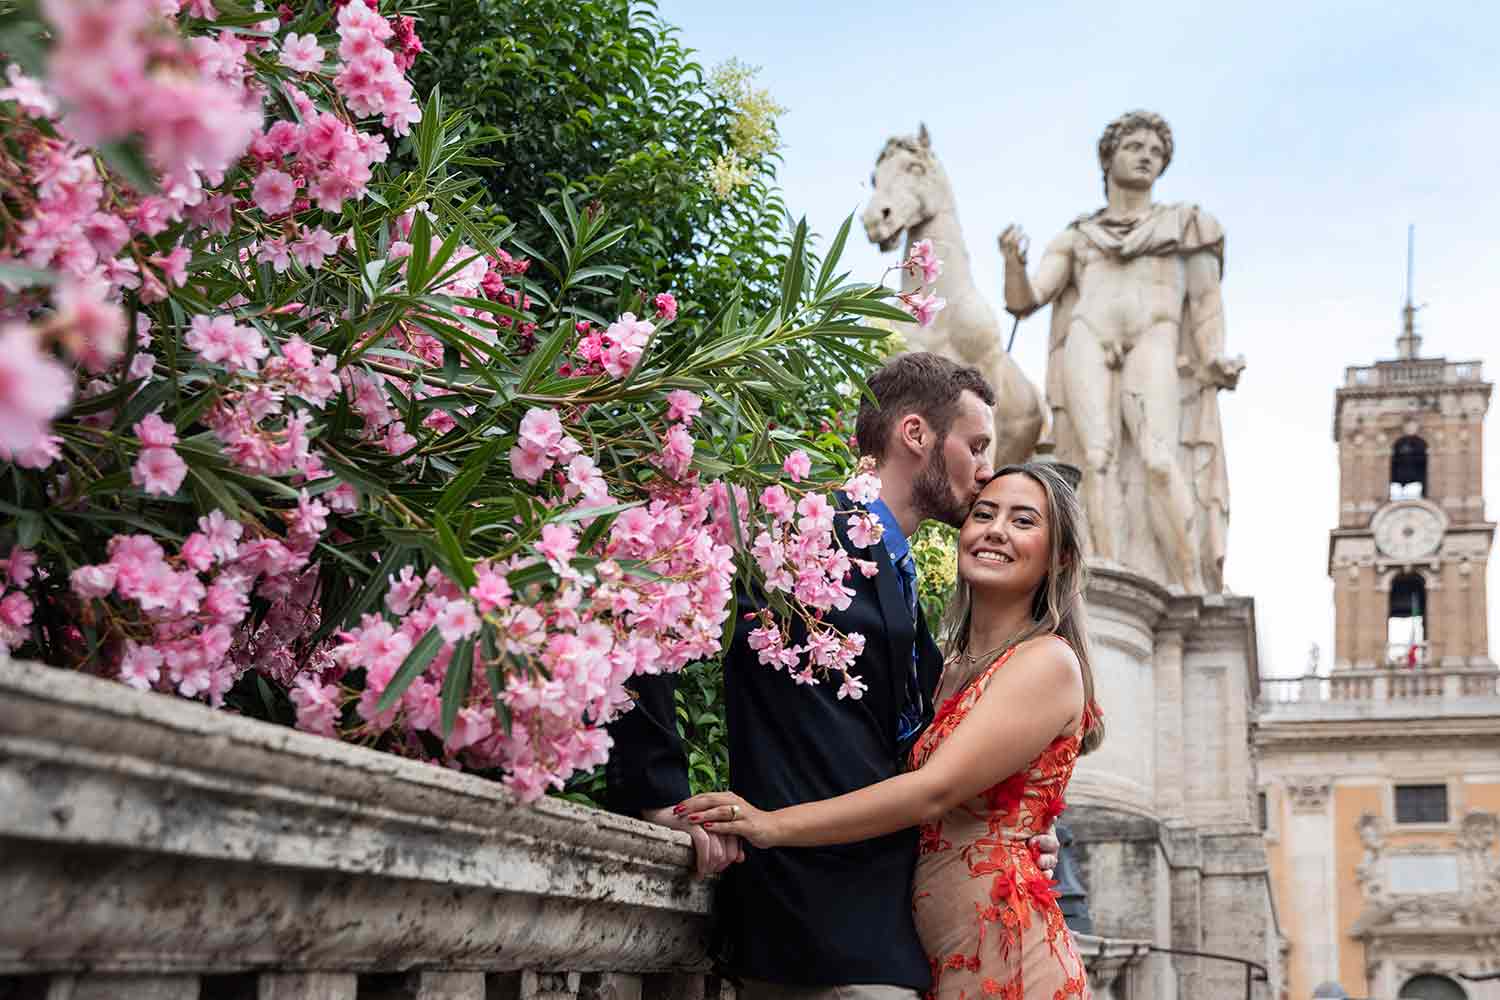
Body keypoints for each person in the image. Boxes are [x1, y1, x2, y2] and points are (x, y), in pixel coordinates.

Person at [605, 353, 1058, 1000]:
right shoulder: (791, 535)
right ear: (916, 434)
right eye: (977, 445)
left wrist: (1019, 835)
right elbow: (636, 597)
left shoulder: (904, 596)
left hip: (887, 936)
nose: (987, 472)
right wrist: (658, 795)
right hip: (811, 929)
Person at [678, 462, 1103, 999]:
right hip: (931, 950)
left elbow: (932, 791)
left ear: (1059, 556)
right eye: (984, 513)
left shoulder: (1047, 661)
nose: (995, 529)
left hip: (1010, 955)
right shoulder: (941, 665)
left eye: (1023, 521)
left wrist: (769, 825)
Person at [998, 110, 1242, 594]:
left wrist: (1215, 357)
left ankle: (1191, 583)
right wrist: (1012, 261)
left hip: (1156, 337)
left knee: (1157, 457)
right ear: (1108, 158)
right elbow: (1025, 299)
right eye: (1136, 147)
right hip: (1089, 333)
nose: (1147, 156)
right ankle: (1103, 572)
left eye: (1156, 152)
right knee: (1093, 459)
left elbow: (1206, 303)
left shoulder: (1187, 225)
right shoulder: (1078, 235)